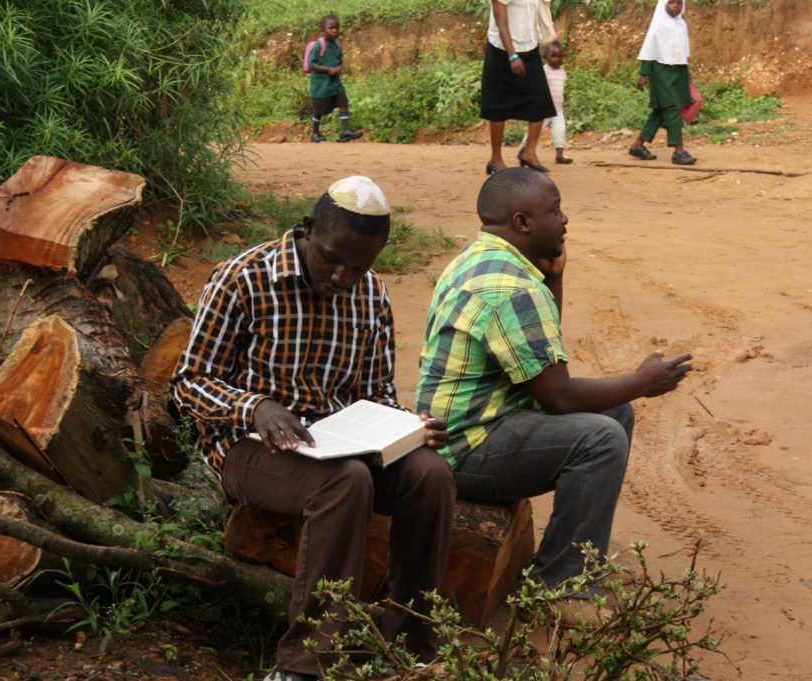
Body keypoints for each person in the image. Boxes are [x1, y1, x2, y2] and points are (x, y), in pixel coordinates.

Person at [172, 177, 455, 681]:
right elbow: (188, 382)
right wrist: (255, 406)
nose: (344, 276)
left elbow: (376, 392)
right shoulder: (243, 278)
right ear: (308, 229)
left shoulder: (371, 294)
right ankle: (305, 664)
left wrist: (408, 424)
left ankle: (412, 647)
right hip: (249, 448)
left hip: (342, 442)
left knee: (430, 474)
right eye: (332, 259)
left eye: (359, 266)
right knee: (347, 481)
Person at [415, 168, 692, 623]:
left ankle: (573, 565)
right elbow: (557, 396)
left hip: (472, 427)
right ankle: (559, 590)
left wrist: (554, 279)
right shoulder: (510, 289)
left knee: (614, 412)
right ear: (523, 222)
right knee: (600, 438)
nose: (564, 220)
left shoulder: (480, 258)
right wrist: (643, 383)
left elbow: (538, 355)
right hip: (464, 449)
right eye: (556, 210)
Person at [481, 0, 557, 175]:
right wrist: (512, 56)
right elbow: (501, 24)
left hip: (529, 47)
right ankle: (496, 159)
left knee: (540, 101)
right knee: (497, 107)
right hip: (502, 51)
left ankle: (528, 153)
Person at [628, 0, 697, 165]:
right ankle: (678, 151)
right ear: (663, 4)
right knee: (673, 107)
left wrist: (687, 73)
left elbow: (682, 50)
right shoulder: (658, 24)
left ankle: (637, 145)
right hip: (660, 71)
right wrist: (644, 73)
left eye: (679, 3)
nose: (675, 6)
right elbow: (649, 49)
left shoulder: (681, 25)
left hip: (678, 71)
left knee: (660, 111)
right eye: (671, 2)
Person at [306, 14, 363, 143]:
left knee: (343, 103)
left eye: (337, 28)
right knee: (319, 110)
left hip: (335, 83)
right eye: (331, 28)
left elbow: (340, 60)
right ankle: (315, 133)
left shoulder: (337, 45)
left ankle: (345, 131)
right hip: (321, 85)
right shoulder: (318, 46)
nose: (335, 30)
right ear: (323, 29)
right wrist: (329, 69)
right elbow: (311, 64)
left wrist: (339, 68)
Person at [520, 40, 573, 165]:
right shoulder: (543, 71)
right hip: (543, 108)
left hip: (558, 110)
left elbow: (560, 89)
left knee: (560, 131)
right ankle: (523, 151)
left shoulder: (562, 72)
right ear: (545, 57)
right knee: (534, 132)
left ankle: (559, 155)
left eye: (559, 57)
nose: (556, 59)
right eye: (553, 56)